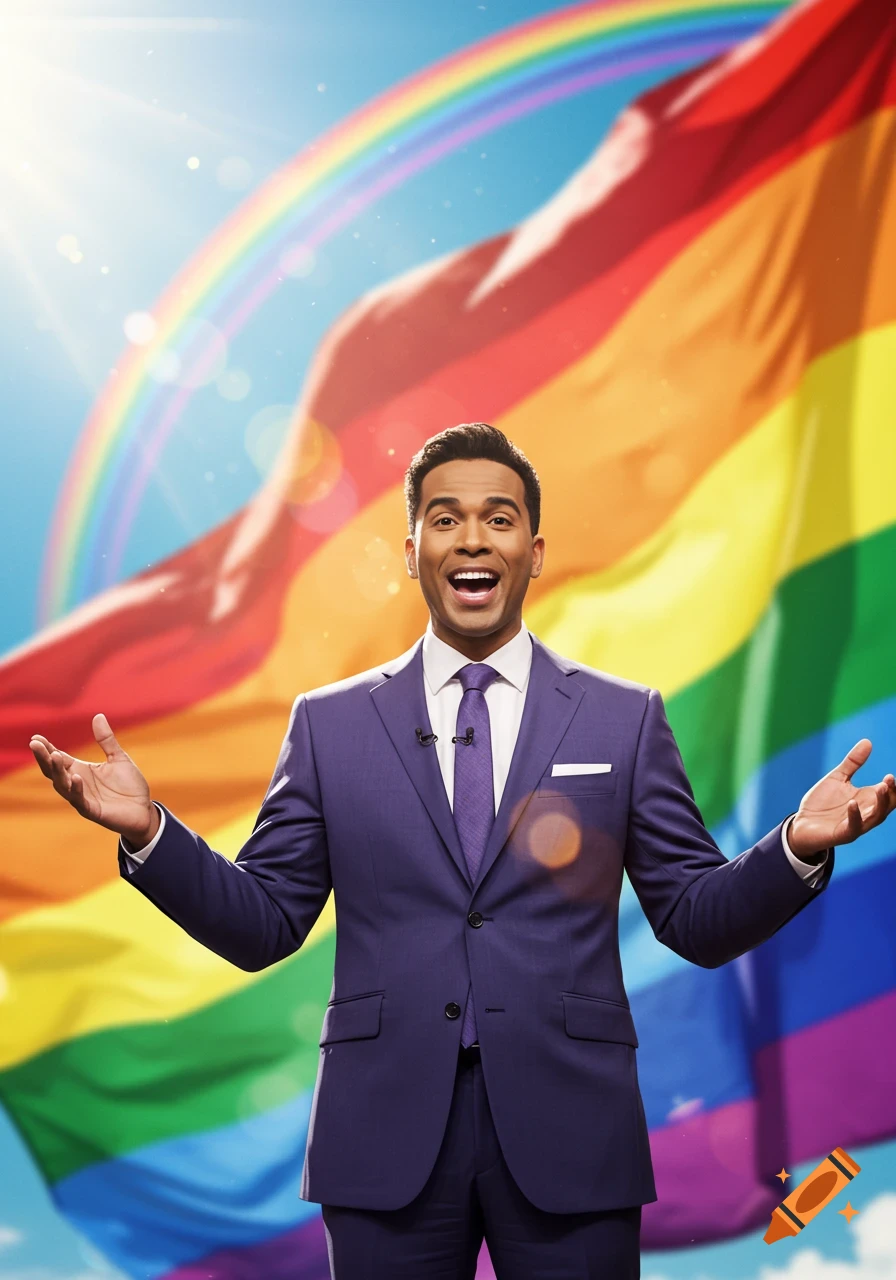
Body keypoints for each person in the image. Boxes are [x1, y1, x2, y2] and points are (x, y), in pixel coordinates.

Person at [30, 423, 896, 1279]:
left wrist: (793, 848)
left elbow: (694, 918)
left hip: (574, 1131)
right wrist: (151, 834)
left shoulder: (622, 717)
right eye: (445, 519)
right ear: (411, 550)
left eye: (498, 517)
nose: (472, 538)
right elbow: (264, 923)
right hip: (381, 1136)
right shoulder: (328, 726)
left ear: (535, 548)